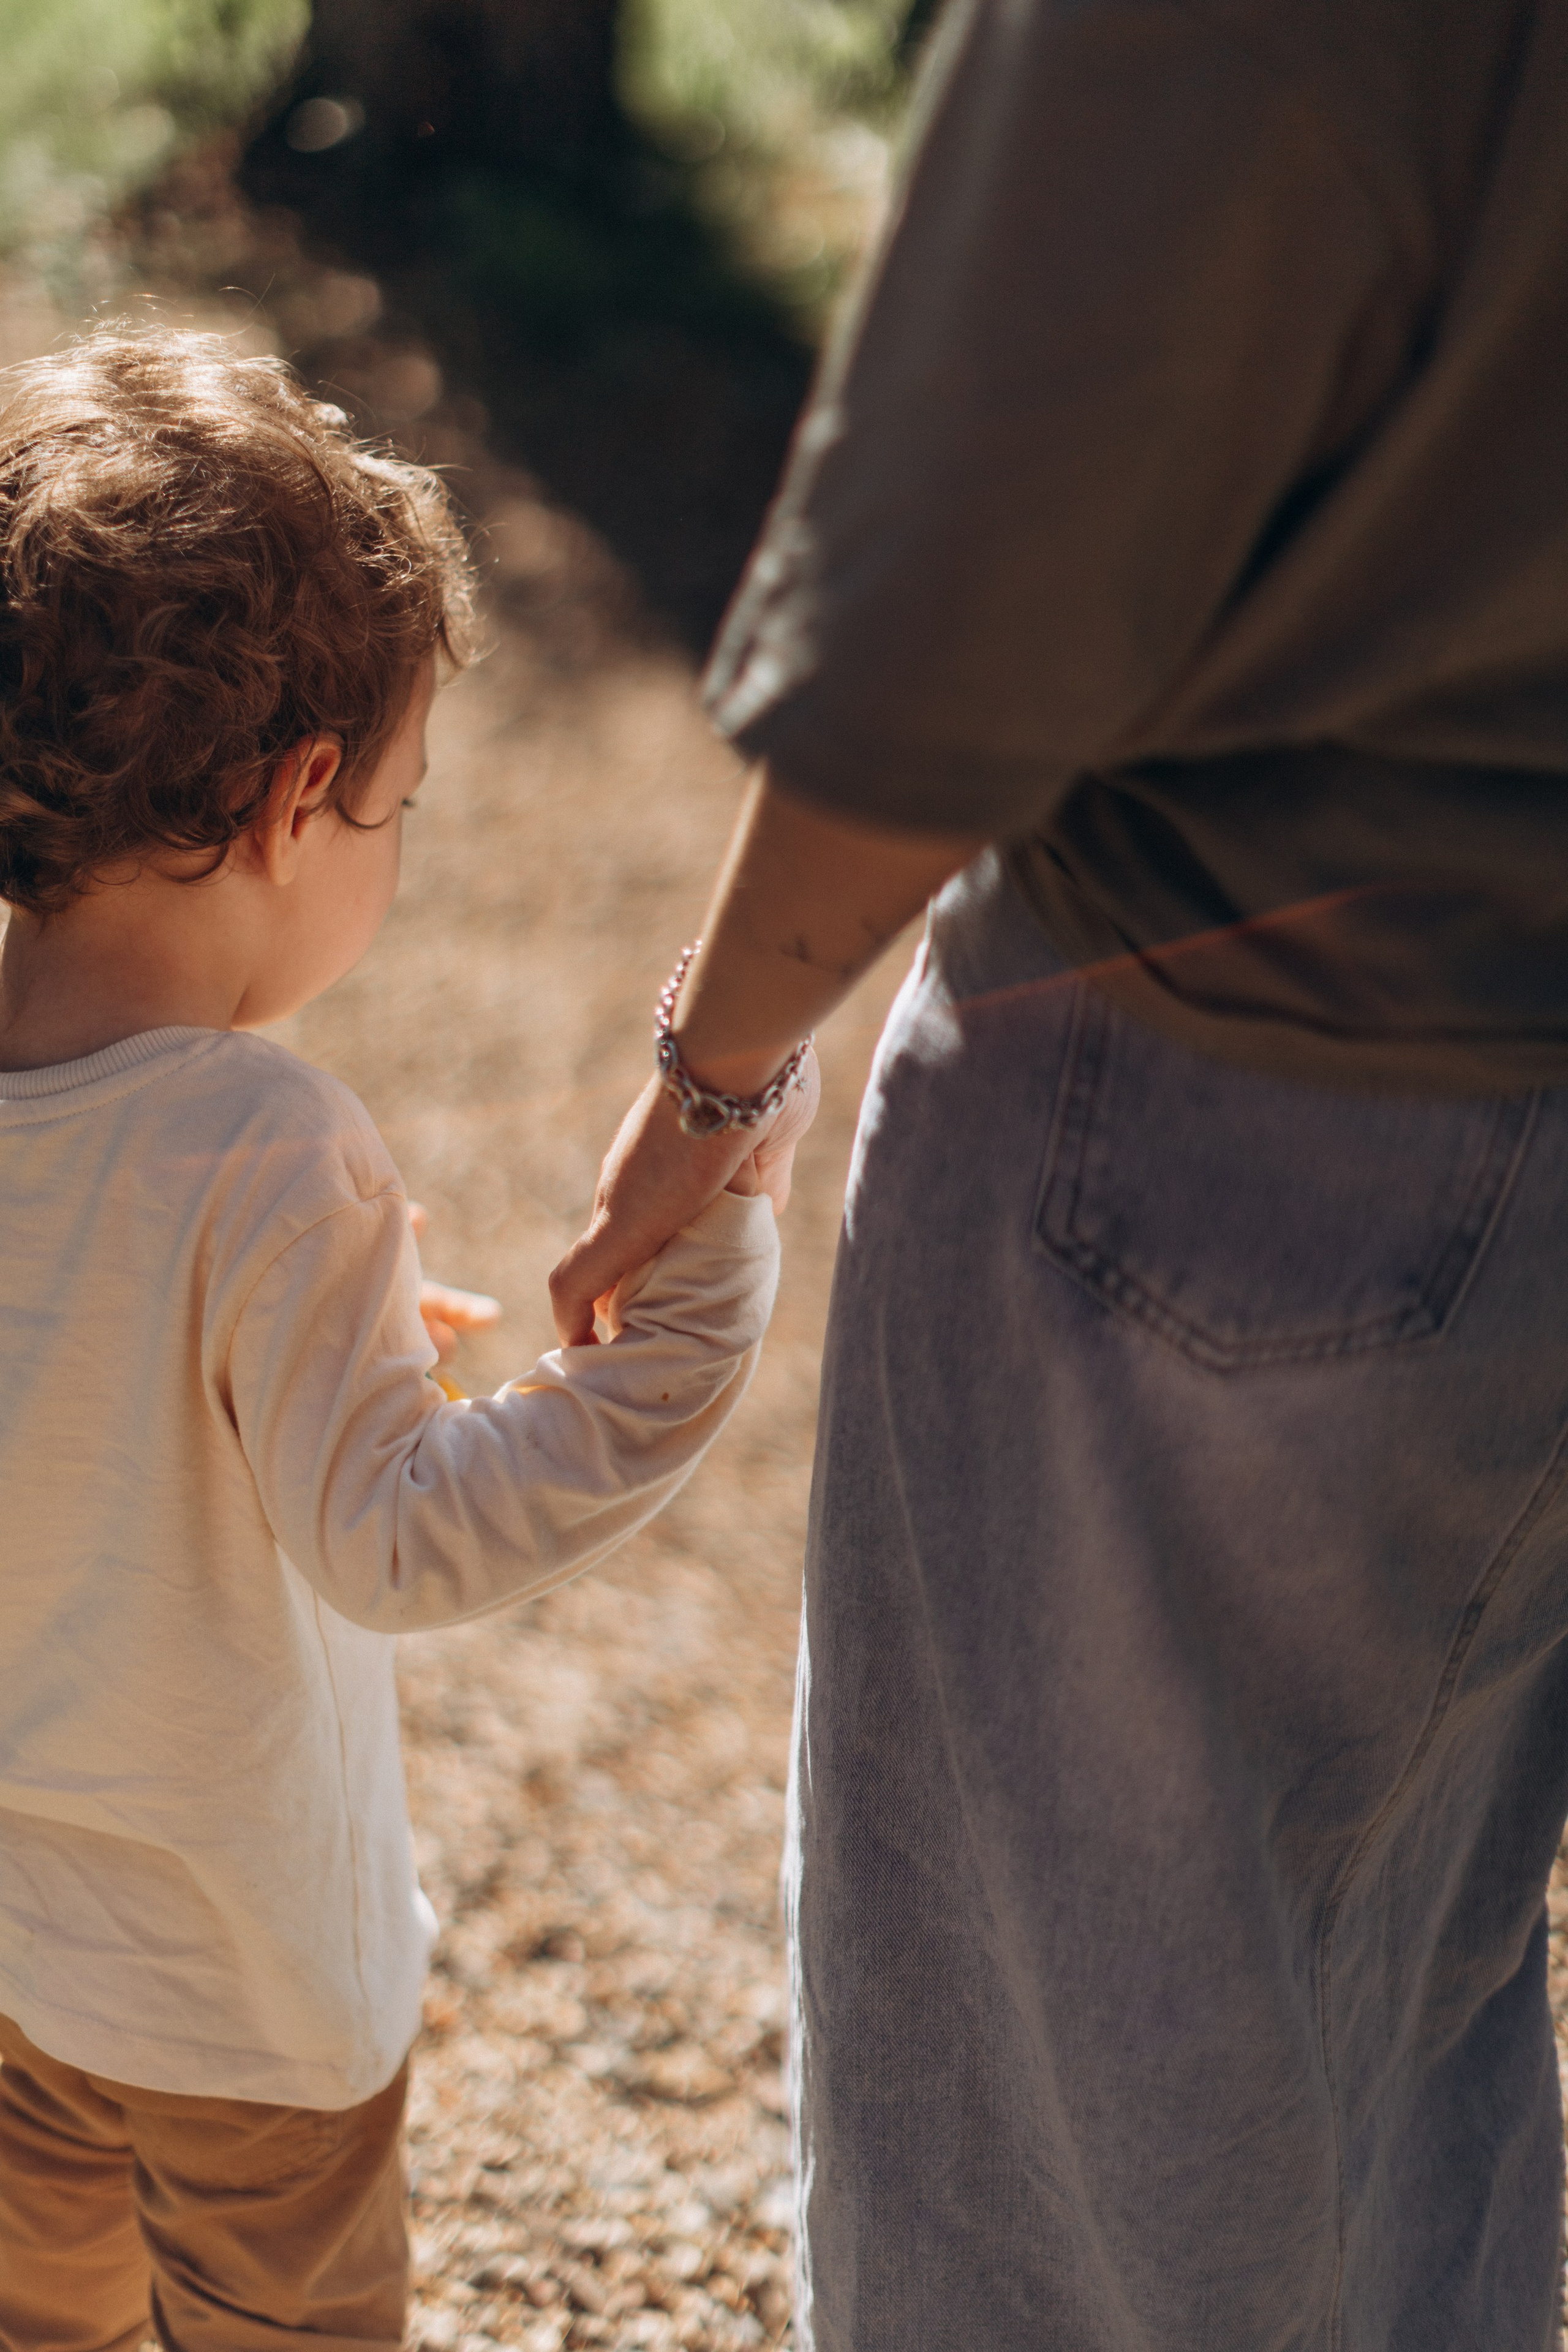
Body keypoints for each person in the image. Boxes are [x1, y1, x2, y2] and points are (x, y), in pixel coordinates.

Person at [551, 1, 1568, 2344]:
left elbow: (947, 612)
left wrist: (714, 1074)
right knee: (1411, 1991)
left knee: (1044, 2107)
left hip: (1223, 1120)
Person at [0, 326, 814, 2352]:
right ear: (295, 801)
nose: (393, 842)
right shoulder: (261, 1143)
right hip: (247, 2007)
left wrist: (276, 1362)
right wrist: (699, 1292)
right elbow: (403, 1540)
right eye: (397, 805)